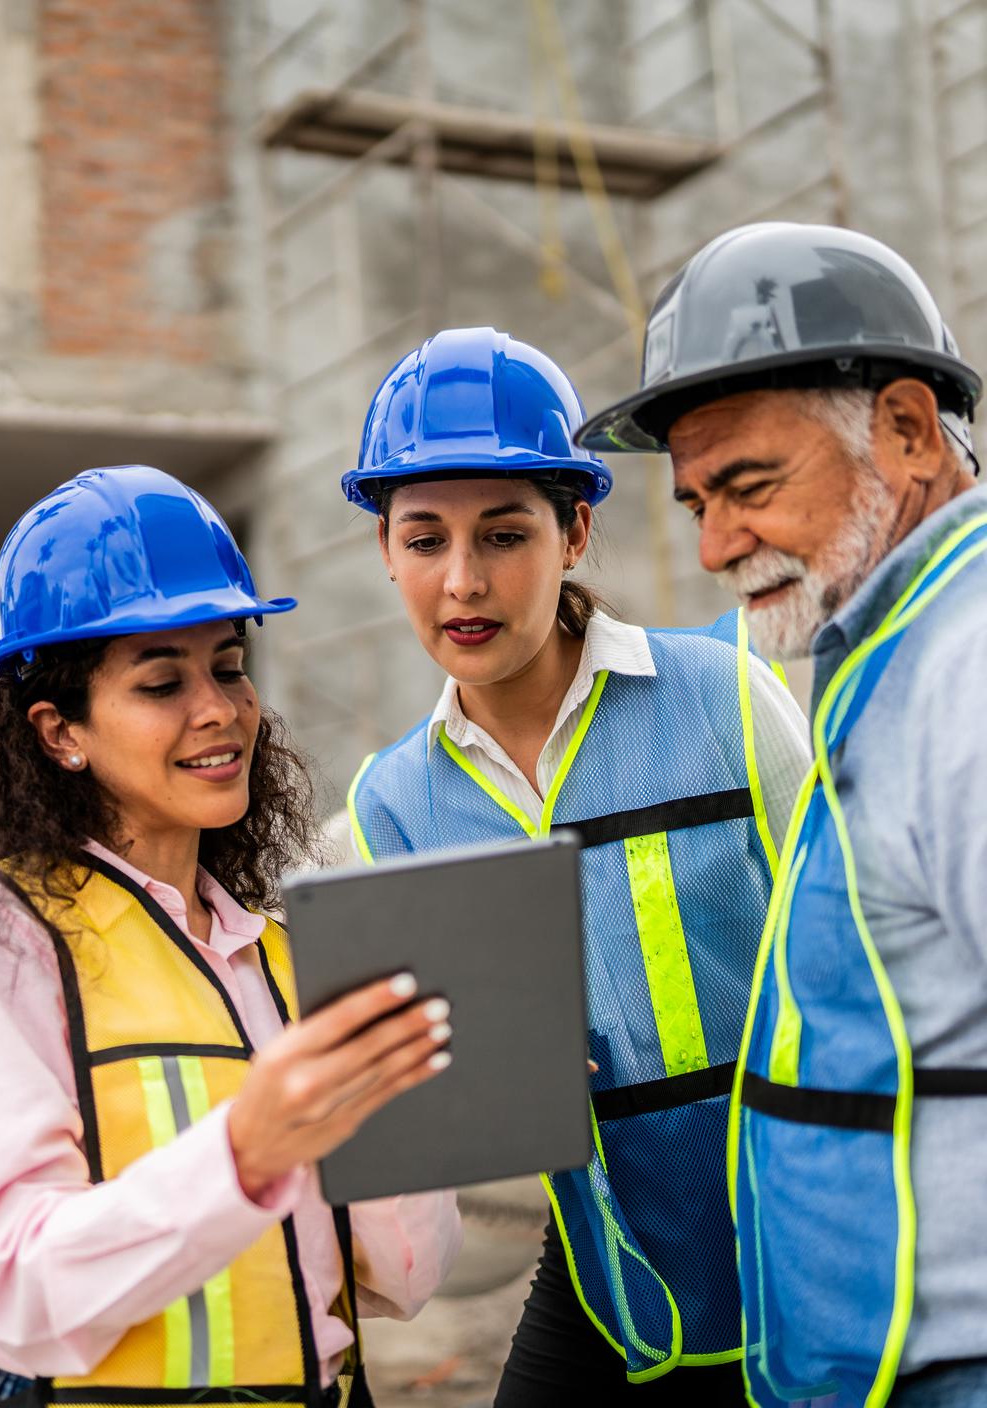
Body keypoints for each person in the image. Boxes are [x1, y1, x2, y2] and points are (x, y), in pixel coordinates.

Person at [0, 464, 461, 1408]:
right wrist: (244, 1153)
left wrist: (428, 1109)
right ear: (59, 732)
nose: (220, 709)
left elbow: (401, 1281)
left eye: (230, 667)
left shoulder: (281, 955)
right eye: (163, 682)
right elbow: (14, 1284)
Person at [338, 327, 810, 1406]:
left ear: (575, 530)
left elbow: (851, 960)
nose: (462, 581)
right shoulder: (389, 809)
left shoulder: (724, 697)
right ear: (385, 552)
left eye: (504, 534)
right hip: (603, 1284)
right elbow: (429, 1091)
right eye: (423, 539)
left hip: (794, 1269)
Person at [577, 221, 987, 1408]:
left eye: (748, 486)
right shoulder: (894, 647)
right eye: (696, 501)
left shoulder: (965, 668)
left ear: (907, 429)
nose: (713, 544)